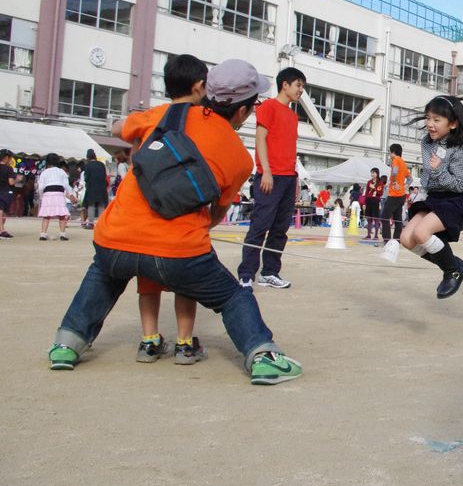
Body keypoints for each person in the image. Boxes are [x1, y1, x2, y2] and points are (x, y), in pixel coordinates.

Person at [48, 59, 302, 385]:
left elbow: (117, 129)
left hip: (116, 238)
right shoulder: (239, 158)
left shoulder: (165, 114)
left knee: (104, 273)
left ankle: (67, 344)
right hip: (181, 252)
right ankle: (263, 357)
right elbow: (216, 214)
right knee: (232, 296)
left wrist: (139, 137)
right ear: (242, 111)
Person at [134, 54, 210, 365]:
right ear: (199, 86)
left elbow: (120, 128)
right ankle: (184, 344)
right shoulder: (204, 119)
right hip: (184, 219)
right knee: (185, 285)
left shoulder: (153, 115)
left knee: (148, 286)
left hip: (149, 219)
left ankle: (149, 341)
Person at [399, 95, 463, 299]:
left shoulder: (461, 151)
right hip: (434, 198)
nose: (430, 124)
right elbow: (428, 173)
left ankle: (452, 272)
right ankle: (455, 265)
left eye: (436, 120)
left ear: (453, 124)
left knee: (422, 233)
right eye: (428, 118)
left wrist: (440, 170)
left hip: (456, 199)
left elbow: (461, 185)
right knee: (406, 239)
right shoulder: (427, 143)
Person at [237, 67, 306, 289]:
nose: (301, 90)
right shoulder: (268, 107)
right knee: (260, 226)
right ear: (285, 85)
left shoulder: (293, 116)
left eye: (302, 86)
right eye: (298, 85)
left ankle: (270, 272)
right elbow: (260, 139)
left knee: (279, 229)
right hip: (270, 176)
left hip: (288, 177)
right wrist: (265, 170)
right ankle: (246, 274)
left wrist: (295, 179)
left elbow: (290, 148)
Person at [36, 153, 75, 241]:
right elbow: (66, 185)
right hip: (59, 193)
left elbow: (41, 187)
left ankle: (43, 234)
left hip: (47, 193)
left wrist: (41, 196)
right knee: (62, 215)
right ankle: (62, 234)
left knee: (46, 216)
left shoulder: (44, 172)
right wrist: (71, 195)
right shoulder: (61, 171)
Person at [380, 144, 410, 246]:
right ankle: (397, 240)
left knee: (384, 217)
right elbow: (410, 179)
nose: (389, 154)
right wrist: (404, 186)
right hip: (402, 195)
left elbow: (394, 172)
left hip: (394, 195)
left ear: (393, 152)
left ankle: (387, 240)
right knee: (398, 219)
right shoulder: (404, 163)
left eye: (390, 151)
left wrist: (393, 183)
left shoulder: (396, 160)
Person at [81, 148, 108, 229]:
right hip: (102, 187)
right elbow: (104, 176)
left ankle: (91, 223)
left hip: (91, 187)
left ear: (88, 157)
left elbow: (86, 178)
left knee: (91, 205)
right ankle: (101, 223)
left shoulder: (87, 165)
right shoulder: (101, 164)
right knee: (101, 205)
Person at [0, 149, 18, 238]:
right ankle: (2, 231)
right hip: (5, 192)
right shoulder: (9, 169)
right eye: (10, 158)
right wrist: (17, 179)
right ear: (6, 158)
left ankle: (1, 230)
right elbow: (11, 182)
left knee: (2, 213)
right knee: (2, 212)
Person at [364, 168, 383, 240]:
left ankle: (376, 236)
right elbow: (366, 193)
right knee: (369, 218)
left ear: (377, 174)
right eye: (371, 173)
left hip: (375, 201)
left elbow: (380, 193)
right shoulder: (369, 182)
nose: (372, 174)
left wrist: (374, 187)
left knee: (376, 219)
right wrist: (365, 203)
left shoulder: (380, 182)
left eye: (374, 173)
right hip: (369, 200)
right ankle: (368, 235)